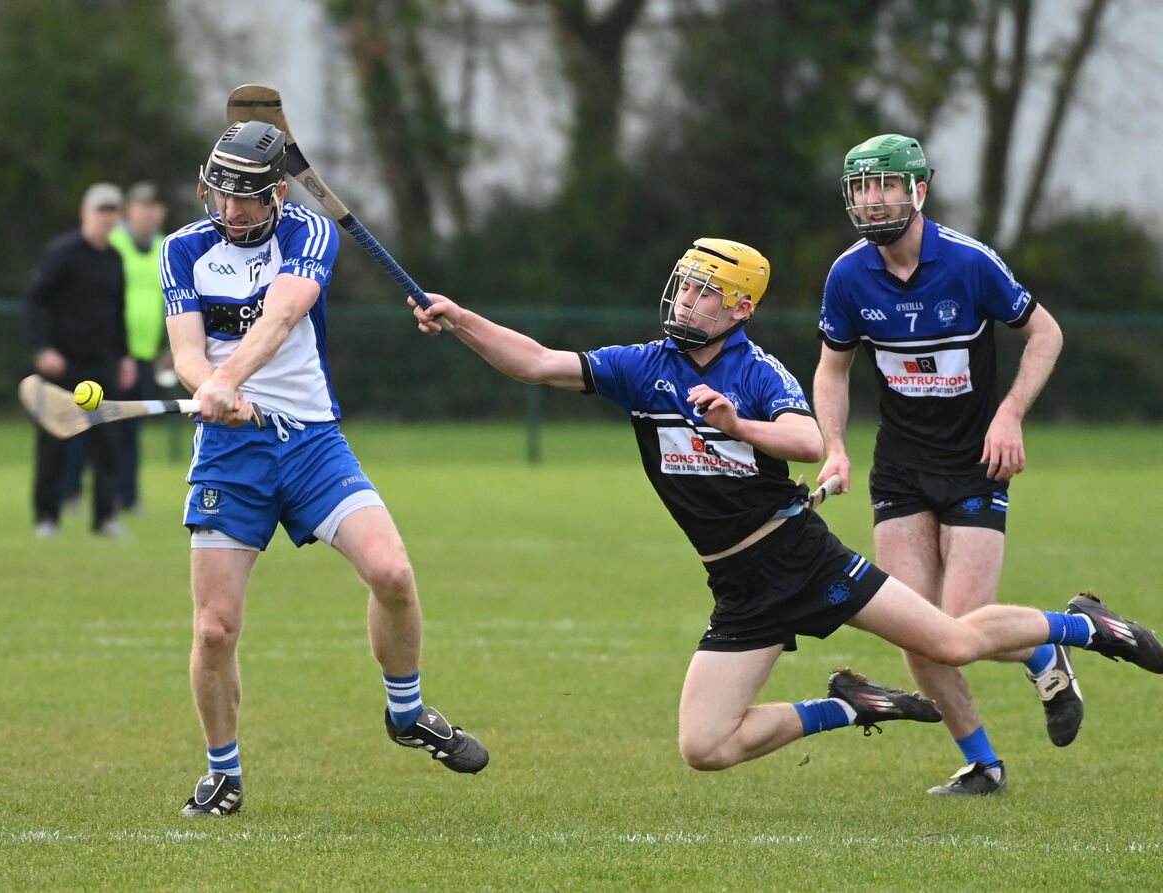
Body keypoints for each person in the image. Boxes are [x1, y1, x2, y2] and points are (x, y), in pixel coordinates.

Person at [407, 237, 1162, 779]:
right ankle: (854, 706)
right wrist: (462, 319)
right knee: (704, 747)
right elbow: (539, 363)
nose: (687, 298)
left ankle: (1084, 625)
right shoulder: (645, 368)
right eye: (684, 284)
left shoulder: (755, 369)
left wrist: (738, 424)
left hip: (802, 558)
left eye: (704, 290)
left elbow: (804, 438)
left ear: (739, 308)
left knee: (954, 641)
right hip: (737, 585)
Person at [161, 120, 487, 817]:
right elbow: (187, 350)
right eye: (223, 195)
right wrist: (208, 386)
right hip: (230, 452)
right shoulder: (182, 249)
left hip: (310, 441)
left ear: (279, 192)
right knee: (215, 628)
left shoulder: (311, 234)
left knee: (392, 572)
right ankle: (224, 771)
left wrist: (233, 377)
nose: (234, 211)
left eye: (248, 198)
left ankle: (406, 712)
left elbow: (282, 315)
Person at [813, 134, 1069, 796]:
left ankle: (1056, 639)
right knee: (916, 631)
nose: (871, 201)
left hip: (974, 464)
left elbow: (1046, 332)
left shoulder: (968, 263)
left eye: (884, 185)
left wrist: (1009, 412)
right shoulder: (848, 275)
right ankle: (983, 763)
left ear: (917, 190)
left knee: (959, 630)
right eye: (860, 188)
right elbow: (832, 369)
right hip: (899, 468)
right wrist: (834, 445)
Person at [25, 182, 137, 538]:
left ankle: (104, 517)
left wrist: (125, 356)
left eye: (112, 212)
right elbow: (36, 301)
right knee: (54, 440)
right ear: (84, 213)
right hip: (63, 363)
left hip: (102, 364)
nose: (106, 219)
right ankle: (47, 517)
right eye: (100, 211)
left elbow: (118, 313)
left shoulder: (116, 259)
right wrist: (42, 348)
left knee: (108, 443)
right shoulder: (62, 253)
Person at [109, 181, 171, 513]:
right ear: (128, 210)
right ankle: (76, 493)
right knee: (100, 427)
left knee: (132, 428)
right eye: (143, 205)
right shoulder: (113, 245)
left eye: (155, 206)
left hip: (145, 353)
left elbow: (171, 302)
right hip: (111, 352)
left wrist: (169, 345)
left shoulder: (165, 247)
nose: (149, 213)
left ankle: (128, 497)